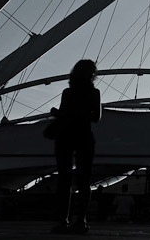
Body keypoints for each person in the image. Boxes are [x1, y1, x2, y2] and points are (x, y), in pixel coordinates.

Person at [52, 59, 102, 235]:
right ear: (92, 74)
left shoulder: (68, 92)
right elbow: (96, 117)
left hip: (65, 136)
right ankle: (81, 220)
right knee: (84, 180)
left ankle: (62, 221)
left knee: (64, 178)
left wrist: (58, 114)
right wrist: (83, 114)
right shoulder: (94, 93)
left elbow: (63, 115)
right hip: (84, 136)